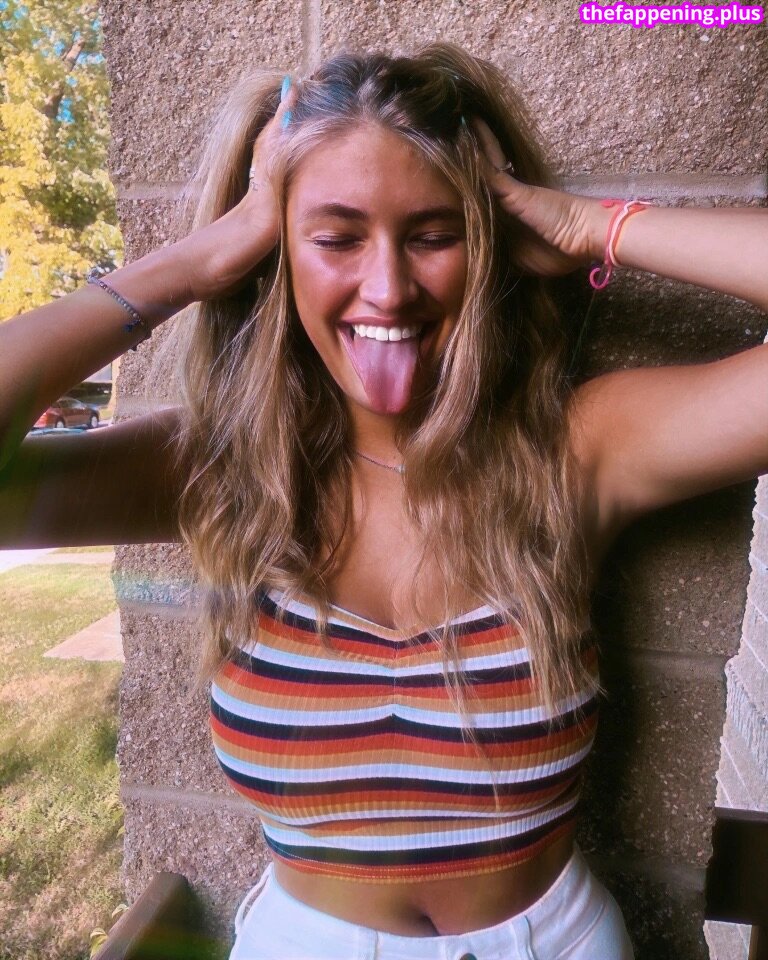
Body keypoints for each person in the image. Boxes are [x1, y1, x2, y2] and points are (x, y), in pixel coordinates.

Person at [1, 42, 766, 960]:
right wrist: (201, 259)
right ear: (275, 249)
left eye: (434, 235)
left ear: (486, 243)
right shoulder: (215, 467)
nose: (389, 288)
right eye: (336, 237)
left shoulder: (573, 452)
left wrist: (587, 225)